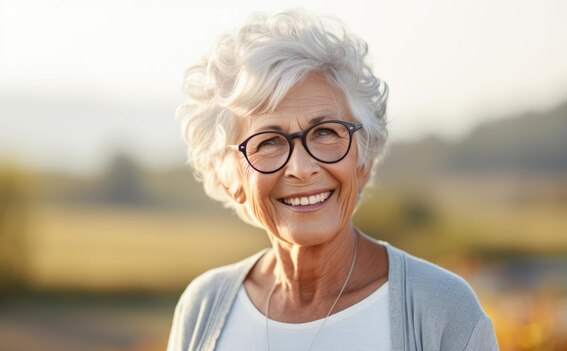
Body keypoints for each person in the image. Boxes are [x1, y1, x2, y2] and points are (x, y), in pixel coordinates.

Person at [167, 10, 498, 351]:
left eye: (325, 132)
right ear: (231, 178)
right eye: (268, 141)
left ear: (364, 159)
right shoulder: (204, 307)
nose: (301, 167)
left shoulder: (441, 308)